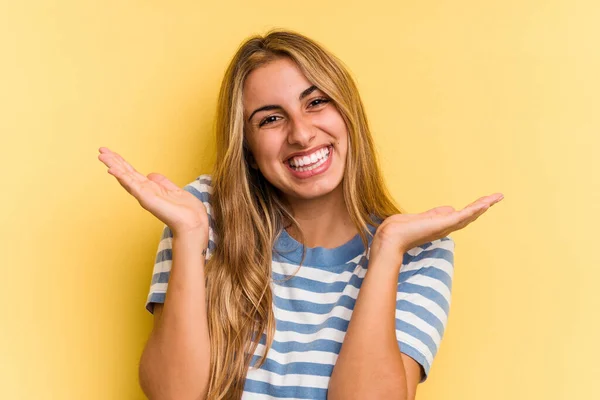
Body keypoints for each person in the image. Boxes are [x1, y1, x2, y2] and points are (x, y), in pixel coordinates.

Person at [98, 29, 503, 400]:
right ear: (249, 152)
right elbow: (175, 396)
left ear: (348, 115)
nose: (301, 133)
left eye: (316, 102)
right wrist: (188, 235)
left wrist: (387, 250)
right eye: (271, 119)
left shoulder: (418, 250)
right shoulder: (200, 213)